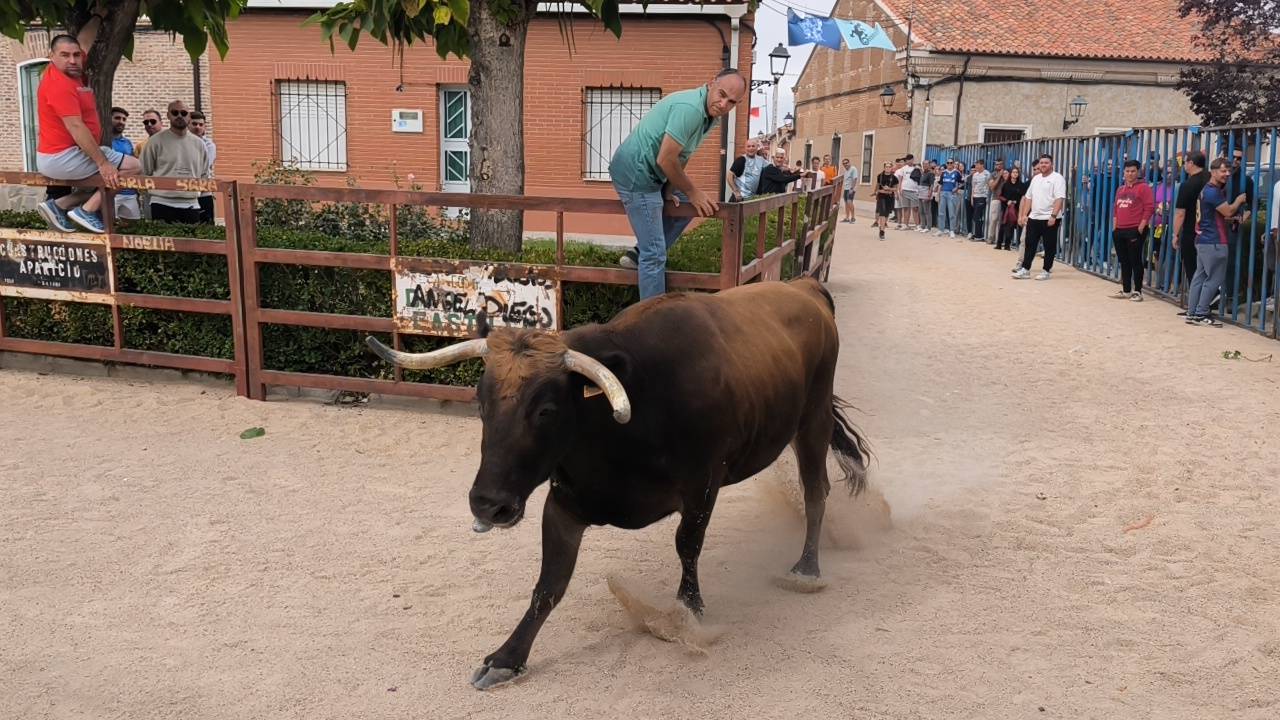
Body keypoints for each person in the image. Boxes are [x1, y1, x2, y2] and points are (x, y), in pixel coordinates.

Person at [610, 69, 745, 299]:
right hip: (637, 174)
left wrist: (671, 189)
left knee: (687, 207)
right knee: (655, 255)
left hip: (656, 174)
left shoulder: (709, 114)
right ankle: (653, 322)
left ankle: (637, 253)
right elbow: (666, 158)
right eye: (721, 94)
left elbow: (681, 154)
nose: (723, 104)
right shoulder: (690, 109)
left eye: (731, 102)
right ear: (711, 82)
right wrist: (692, 191)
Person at [34, 20, 142, 234]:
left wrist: (98, 15)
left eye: (76, 55)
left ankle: (60, 205)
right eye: (65, 56)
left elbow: (83, 40)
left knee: (102, 183)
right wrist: (102, 163)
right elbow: (76, 126)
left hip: (59, 154)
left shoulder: (64, 70)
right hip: (61, 157)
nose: (73, 60)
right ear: (51, 57)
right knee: (133, 167)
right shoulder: (59, 85)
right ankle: (86, 210)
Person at [1187, 158, 1248, 326]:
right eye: (1223, 171)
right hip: (1214, 241)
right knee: (1214, 279)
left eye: (1228, 171)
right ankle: (1201, 313)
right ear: (1213, 172)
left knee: (1199, 277)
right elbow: (1227, 211)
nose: (1227, 174)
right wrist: (1239, 200)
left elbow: (1215, 215)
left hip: (1203, 239)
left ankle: (1192, 313)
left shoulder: (1206, 190)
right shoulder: (1213, 192)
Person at [140, 100, 210, 224]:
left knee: (191, 243)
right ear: (168, 115)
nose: (179, 116)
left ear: (189, 116)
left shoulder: (199, 144)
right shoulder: (155, 142)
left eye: (183, 113)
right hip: (161, 202)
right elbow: (144, 172)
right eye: (175, 112)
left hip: (191, 204)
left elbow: (204, 175)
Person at [1012, 154, 1067, 280]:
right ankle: (1025, 269)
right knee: (1029, 244)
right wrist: (1025, 214)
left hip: (1049, 218)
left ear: (1051, 164)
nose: (1043, 165)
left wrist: (1053, 216)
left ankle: (1046, 270)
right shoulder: (1036, 179)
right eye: (1041, 163)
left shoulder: (1057, 178)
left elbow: (1059, 198)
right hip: (1034, 217)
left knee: (1049, 246)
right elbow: (1028, 198)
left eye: (1046, 163)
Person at [1112, 160, 1155, 301]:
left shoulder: (1143, 188)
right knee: (1124, 261)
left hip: (1135, 229)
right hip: (1120, 230)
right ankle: (1126, 290)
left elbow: (1149, 208)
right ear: (1123, 173)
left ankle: (1138, 291)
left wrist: (1140, 228)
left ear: (1138, 172)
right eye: (1127, 171)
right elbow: (1116, 210)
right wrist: (1115, 228)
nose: (1129, 174)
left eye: (1133, 171)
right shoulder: (1120, 189)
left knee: (1135, 260)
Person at [1172, 151, 1208, 308]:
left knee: (1193, 269)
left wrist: (1175, 234)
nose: (1184, 165)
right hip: (1210, 231)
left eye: (1185, 162)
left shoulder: (1188, 185)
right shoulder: (1211, 180)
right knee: (1207, 270)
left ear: (1191, 163)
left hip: (1191, 231)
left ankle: (1197, 305)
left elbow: (1180, 213)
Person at [109, 106, 141, 220]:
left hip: (129, 193)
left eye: (124, 119)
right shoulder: (104, 141)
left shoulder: (127, 143)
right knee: (109, 226)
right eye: (117, 118)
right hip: (111, 193)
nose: (121, 122)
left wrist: (136, 192)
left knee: (133, 226)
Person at [190, 110, 217, 223]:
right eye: (194, 124)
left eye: (201, 124)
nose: (198, 127)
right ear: (188, 125)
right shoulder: (180, 143)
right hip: (186, 194)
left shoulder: (209, 145)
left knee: (206, 225)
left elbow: (204, 166)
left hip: (204, 192)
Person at [995, 166, 1028, 251]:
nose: (1015, 174)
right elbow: (1000, 196)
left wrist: (1017, 201)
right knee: (1003, 225)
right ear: (1011, 174)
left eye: (1016, 172)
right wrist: (1007, 201)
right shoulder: (1006, 184)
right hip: (1006, 207)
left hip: (1016, 208)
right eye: (1013, 172)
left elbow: (1023, 197)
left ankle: (1007, 244)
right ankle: (999, 243)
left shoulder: (1021, 185)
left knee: (1011, 226)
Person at [728, 137, 766, 202]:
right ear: (745, 148)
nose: (751, 148)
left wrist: (785, 168)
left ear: (757, 148)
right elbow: (729, 175)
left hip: (752, 199)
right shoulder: (741, 160)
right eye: (748, 146)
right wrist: (736, 191)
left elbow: (772, 167)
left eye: (753, 146)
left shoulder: (761, 160)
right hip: (740, 198)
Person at [937, 159, 964, 238]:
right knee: (941, 212)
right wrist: (939, 193)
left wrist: (956, 188)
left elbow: (962, 182)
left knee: (952, 213)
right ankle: (940, 229)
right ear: (946, 164)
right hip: (943, 193)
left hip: (951, 194)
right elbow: (941, 184)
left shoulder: (957, 172)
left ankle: (952, 230)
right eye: (948, 163)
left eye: (951, 163)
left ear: (953, 164)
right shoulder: (943, 172)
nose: (949, 164)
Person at [874, 161, 898, 241]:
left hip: (890, 197)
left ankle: (882, 226)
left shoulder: (894, 178)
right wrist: (876, 192)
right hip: (881, 196)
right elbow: (877, 186)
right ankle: (882, 231)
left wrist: (889, 189)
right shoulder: (880, 176)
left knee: (887, 214)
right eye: (886, 167)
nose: (887, 168)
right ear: (884, 168)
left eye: (889, 167)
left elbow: (896, 188)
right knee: (882, 212)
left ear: (891, 168)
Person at [969, 159, 991, 241]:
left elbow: (989, 186)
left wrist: (987, 197)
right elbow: (973, 187)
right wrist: (972, 197)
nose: (976, 167)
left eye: (977, 165)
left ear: (982, 165)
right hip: (975, 197)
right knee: (976, 216)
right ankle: (977, 233)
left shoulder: (987, 174)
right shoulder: (975, 175)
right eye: (975, 165)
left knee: (977, 215)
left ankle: (979, 235)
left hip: (983, 197)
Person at [916, 161, 935, 234]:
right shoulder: (923, 173)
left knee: (927, 211)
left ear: (929, 165)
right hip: (920, 193)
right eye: (923, 164)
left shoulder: (931, 174)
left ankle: (928, 227)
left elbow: (932, 185)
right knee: (921, 211)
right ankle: (922, 226)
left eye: (926, 164)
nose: (925, 166)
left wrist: (929, 194)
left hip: (926, 193)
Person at [840, 157, 859, 223]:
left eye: (846, 163)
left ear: (849, 163)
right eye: (844, 164)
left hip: (851, 189)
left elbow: (855, 179)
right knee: (846, 203)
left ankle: (853, 217)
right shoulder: (845, 171)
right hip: (846, 188)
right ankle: (847, 217)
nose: (845, 165)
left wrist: (852, 188)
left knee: (849, 201)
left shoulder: (853, 169)